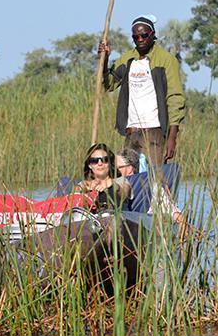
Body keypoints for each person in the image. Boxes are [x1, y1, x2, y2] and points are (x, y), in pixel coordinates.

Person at [98, 16, 186, 166]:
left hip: (154, 133)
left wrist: (172, 137)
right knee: (128, 177)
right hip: (132, 132)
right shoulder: (127, 59)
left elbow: (175, 98)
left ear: (152, 34)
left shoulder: (166, 60)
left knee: (155, 179)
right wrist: (104, 59)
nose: (140, 39)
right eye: (135, 37)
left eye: (144, 35)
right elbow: (109, 85)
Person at [115, 148, 187, 226]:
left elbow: (171, 210)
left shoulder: (150, 185)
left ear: (130, 168)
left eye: (118, 168)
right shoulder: (112, 184)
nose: (114, 171)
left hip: (147, 226)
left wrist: (179, 219)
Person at [75, 143, 131, 213]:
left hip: (116, 220)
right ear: (89, 165)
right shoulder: (85, 184)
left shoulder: (120, 180)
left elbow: (124, 193)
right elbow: (72, 200)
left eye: (105, 159)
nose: (100, 163)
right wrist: (81, 189)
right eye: (94, 161)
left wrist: (113, 185)